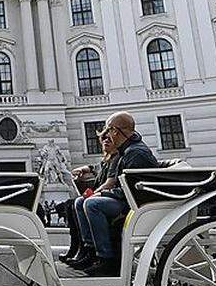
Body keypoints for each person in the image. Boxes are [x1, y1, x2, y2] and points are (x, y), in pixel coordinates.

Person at [67, 112, 158, 276]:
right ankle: (90, 251)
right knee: (82, 202)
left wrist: (104, 194)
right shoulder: (128, 150)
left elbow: (132, 189)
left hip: (136, 205)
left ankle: (106, 259)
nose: (106, 135)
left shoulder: (135, 153)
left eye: (108, 130)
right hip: (132, 201)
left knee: (92, 204)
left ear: (115, 131)